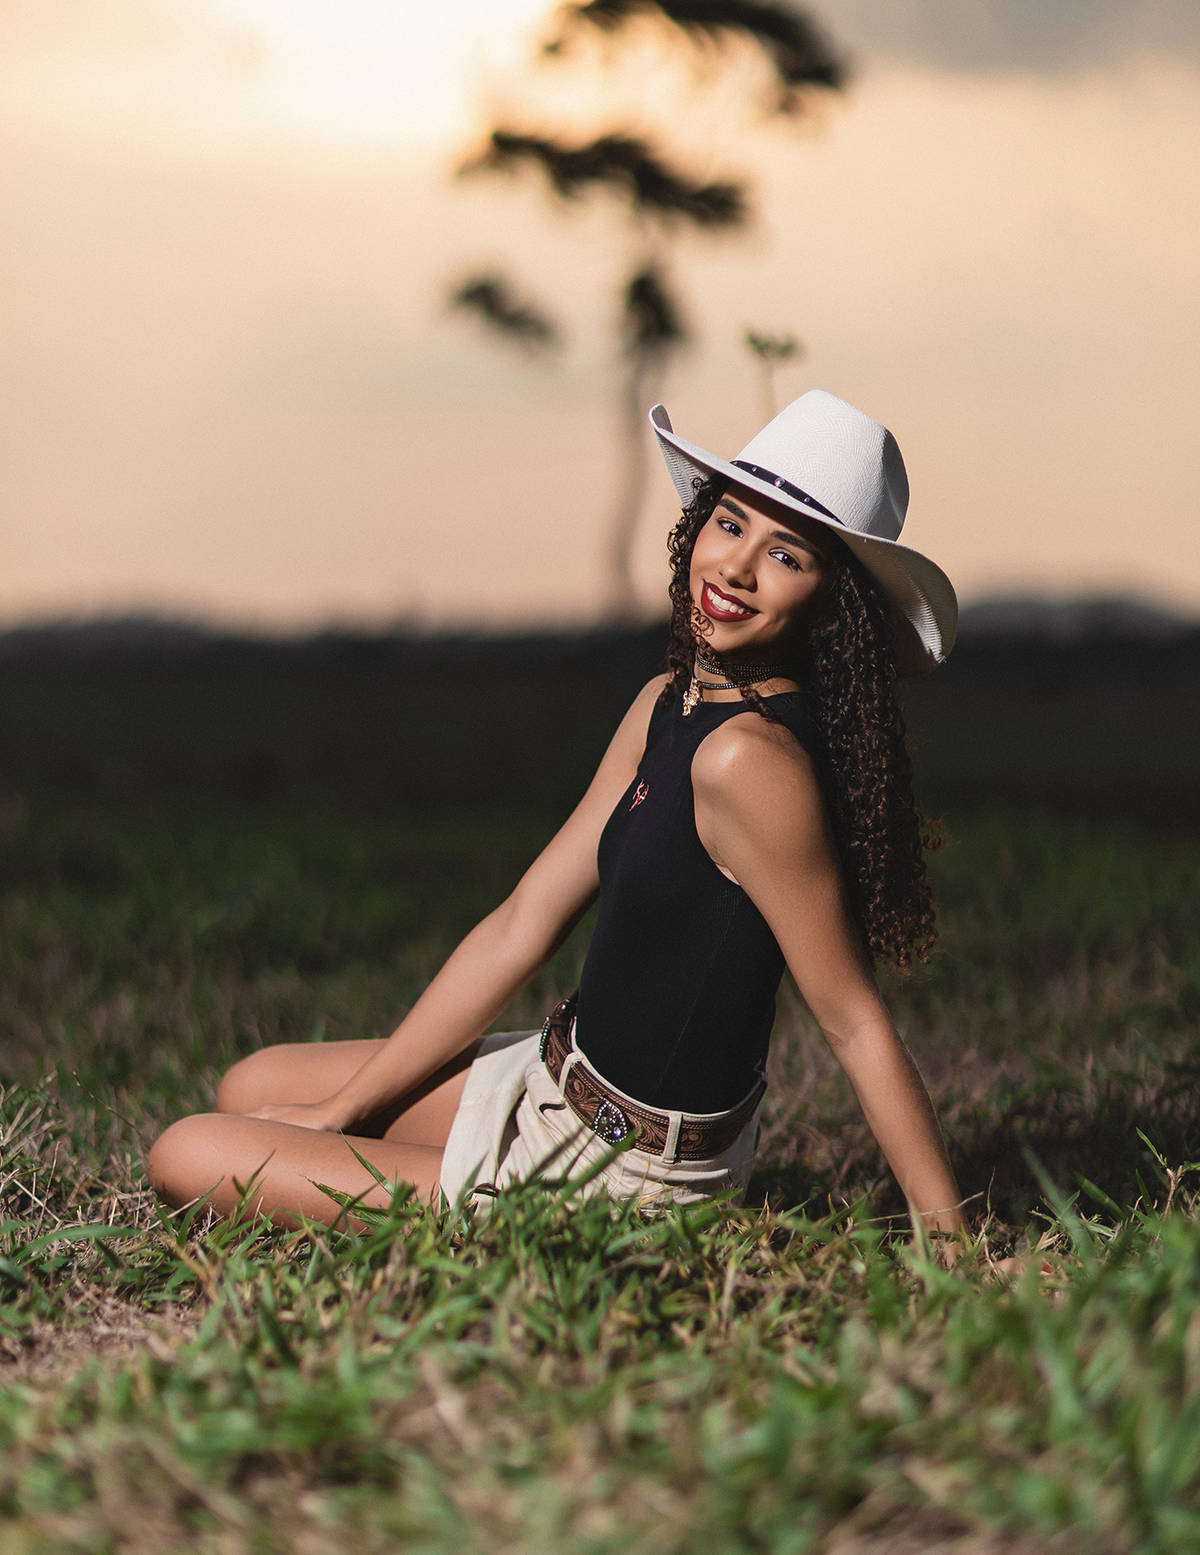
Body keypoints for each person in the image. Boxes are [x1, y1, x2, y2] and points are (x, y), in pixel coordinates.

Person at [148, 389, 966, 1242]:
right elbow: (522, 921)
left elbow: (852, 1018)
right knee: (254, 1086)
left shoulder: (748, 763)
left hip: (618, 1167)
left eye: (786, 555)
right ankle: (369, 1125)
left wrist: (949, 1243)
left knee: (185, 1153)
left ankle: (500, 1201)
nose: (736, 568)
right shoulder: (670, 702)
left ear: (833, 605)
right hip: (550, 1072)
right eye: (729, 526)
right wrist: (345, 1109)